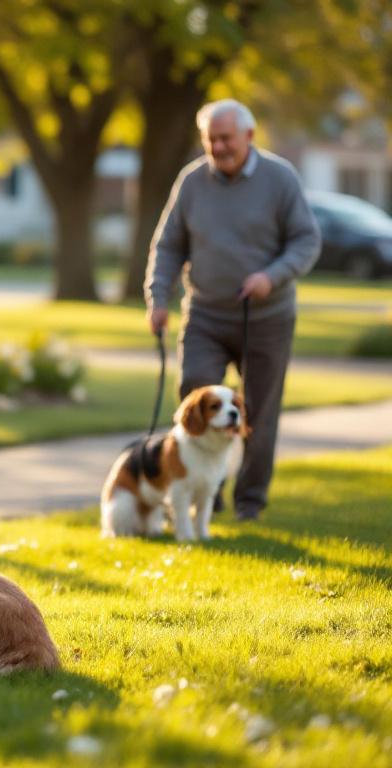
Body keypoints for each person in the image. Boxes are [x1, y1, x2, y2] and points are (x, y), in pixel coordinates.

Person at [145, 99, 320, 521]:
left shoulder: (280, 178)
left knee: (257, 411)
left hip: (267, 318)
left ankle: (249, 502)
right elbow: (168, 245)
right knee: (196, 393)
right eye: (211, 140)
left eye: (226, 138)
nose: (219, 147)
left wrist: (271, 276)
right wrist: (158, 297)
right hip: (205, 313)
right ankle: (207, 492)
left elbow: (306, 240)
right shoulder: (192, 182)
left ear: (249, 136)